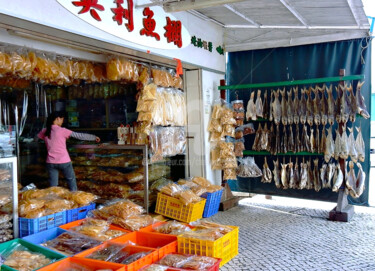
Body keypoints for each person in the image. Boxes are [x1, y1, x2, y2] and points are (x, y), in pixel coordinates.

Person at [37, 111, 100, 191]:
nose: (62, 122)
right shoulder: (62, 130)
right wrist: (94, 137)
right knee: (71, 182)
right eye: (62, 119)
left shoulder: (44, 131)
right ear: (58, 119)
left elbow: (37, 138)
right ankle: (74, 199)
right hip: (64, 161)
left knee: (53, 186)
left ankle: (54, 201)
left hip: (51, 162)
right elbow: (79, 136)